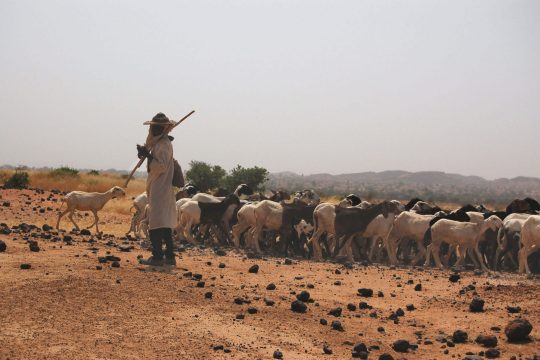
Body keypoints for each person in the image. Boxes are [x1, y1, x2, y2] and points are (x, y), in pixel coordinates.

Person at [137, 112, 177, 266]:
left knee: (155, 221)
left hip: (161, 186)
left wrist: (148, 156)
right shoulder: (159, 143)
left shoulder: (164, 144)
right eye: (153, 126)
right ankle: (170, 256)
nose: (153, 129)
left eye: (156, 127)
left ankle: (158, 257)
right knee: (164, 221)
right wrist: (146, 152)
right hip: (160, 186)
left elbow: (160, 166)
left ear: (163, 128)